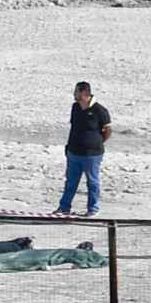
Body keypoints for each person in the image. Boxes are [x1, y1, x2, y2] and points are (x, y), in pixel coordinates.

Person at [53, 82, 113, 216]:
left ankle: (93, 208)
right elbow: (73, 128)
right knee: (70, 181)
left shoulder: (99, 110)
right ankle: (64, 207)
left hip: (92, 154)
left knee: (92, 182)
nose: (74, 94)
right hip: (73, 152)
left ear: (83, 93)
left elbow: (109, 130)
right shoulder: (75, 107)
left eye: (76, 92)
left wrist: (98, 141)